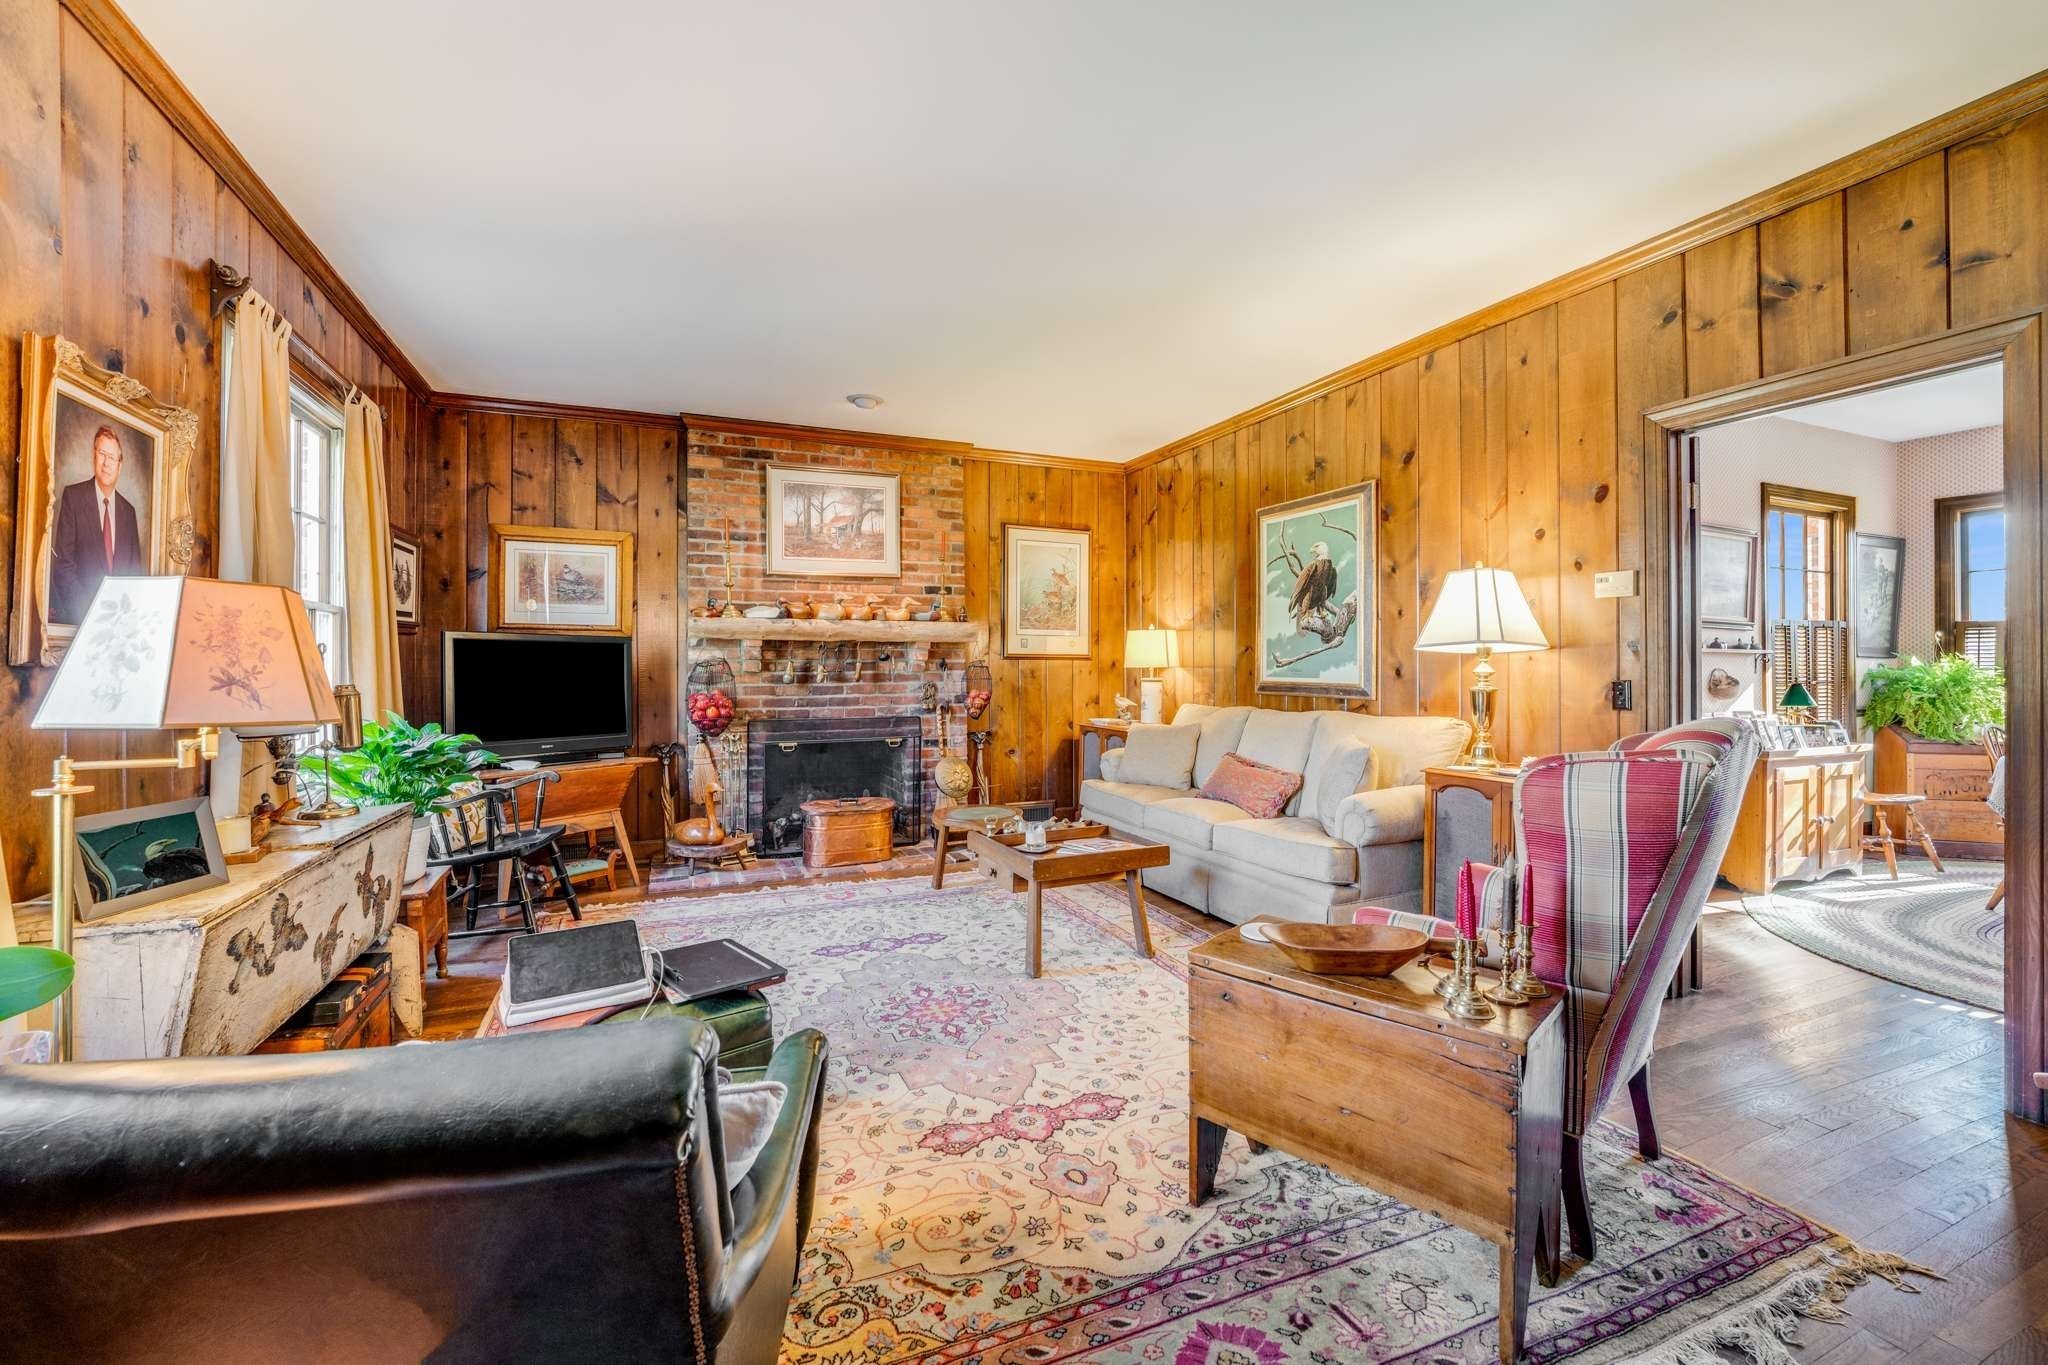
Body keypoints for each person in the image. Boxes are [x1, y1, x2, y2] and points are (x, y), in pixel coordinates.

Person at [49, 423, 144, 623]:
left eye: (112, 457)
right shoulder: (73, 497)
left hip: (119, 625)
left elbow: (136, 575)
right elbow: (63, 566)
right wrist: (90, 613)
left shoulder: (129, 512)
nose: (106, 463)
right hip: (81, 619)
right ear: (94, 456)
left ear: (120, 464)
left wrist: (123, 619)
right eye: (102, 454)